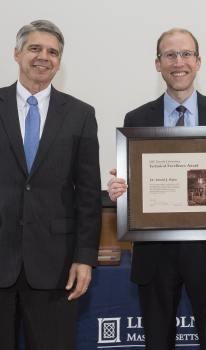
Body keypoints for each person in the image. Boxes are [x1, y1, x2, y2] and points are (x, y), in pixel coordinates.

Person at [107, 28, 206, 350]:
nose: (178, 62)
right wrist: (121, 190)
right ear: (157, 64)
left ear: (198, 62)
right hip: (155, 251)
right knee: (157, 342)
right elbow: (135, 183)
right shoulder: (136, 118)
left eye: (186, 54)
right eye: (169, 55)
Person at [0, 20, 102, 350]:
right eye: (35, 48)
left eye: (53, 52)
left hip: (56, 267)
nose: (44, 57)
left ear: (59, 61)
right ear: (17, 54)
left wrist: (85, 258)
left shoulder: (80, 114)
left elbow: (88, 193)